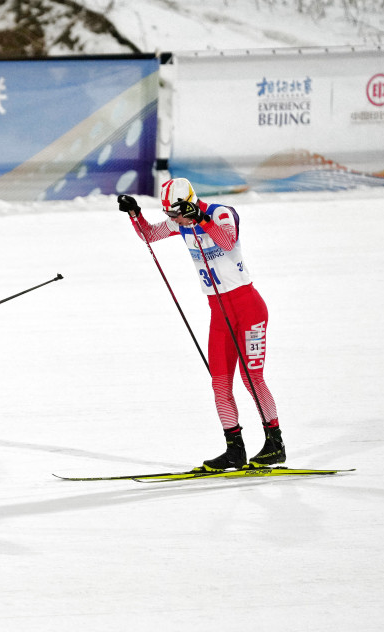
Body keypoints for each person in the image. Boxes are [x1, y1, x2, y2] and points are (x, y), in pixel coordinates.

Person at [117, 178, 285, 470]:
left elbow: (227, 240)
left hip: (248, 309)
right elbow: (149, 236)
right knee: (220, 384)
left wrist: (202, 218)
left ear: (191, 202)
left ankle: (275, 444)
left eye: (177, 213)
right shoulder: (181, 222)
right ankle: (234, 450)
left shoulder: (220, 213)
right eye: (170, 215)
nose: (174, 220)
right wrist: (136, 214)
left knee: (251, 378)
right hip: (219, 314)